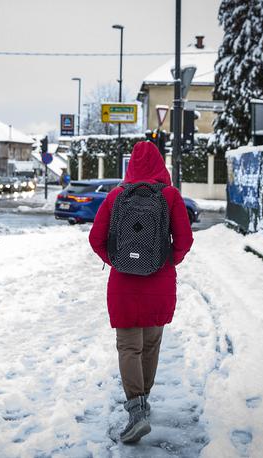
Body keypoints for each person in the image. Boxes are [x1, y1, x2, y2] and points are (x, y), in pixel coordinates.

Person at [88, 141, 193, 444]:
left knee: (128, 347)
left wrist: (117, 261)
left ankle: (137, 410)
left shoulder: (116, 197)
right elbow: (184, 240)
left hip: (123, 286)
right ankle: (143, 403)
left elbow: (96, 239)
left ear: (130, 166)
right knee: (150, 345)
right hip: (159, 284)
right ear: (161, 165)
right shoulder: (170, 196)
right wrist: (166, 260)